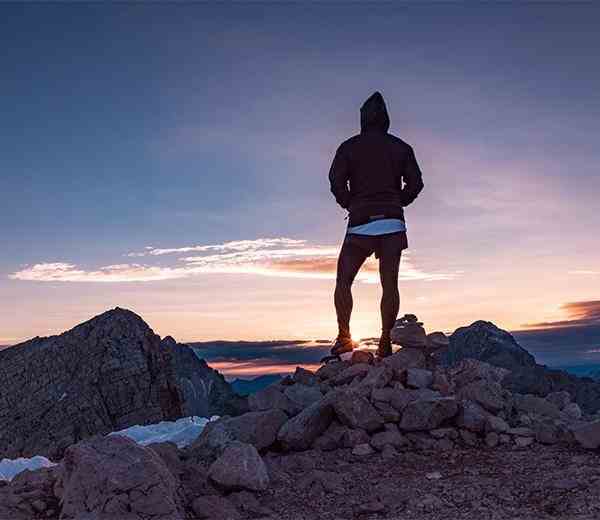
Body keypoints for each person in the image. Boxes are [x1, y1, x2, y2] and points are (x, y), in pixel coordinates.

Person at [328, 91, 424, 358]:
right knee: (389, 284)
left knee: (344, 281)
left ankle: (344, 338)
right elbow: (416, 183)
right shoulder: (401, 147)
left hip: (360, 223)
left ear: (362, 118)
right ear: (385, 119)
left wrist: (350, 203)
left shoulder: (348, 147)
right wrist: (398, 202)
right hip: (392, 222)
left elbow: (335, 181)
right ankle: (385, 341)